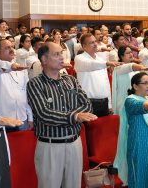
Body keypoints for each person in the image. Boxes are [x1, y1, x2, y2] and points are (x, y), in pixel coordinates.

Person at [27, 42, 97, 188]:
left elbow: (87, 105)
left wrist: (74, 115)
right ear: (44, 59)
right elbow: (44, 114)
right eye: (56, 54)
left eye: (62, 53)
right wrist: (74, 116)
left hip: (74, 142)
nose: (61, 58)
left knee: (74, 184)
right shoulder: (35, 84)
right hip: (50, 144)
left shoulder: (70, 80)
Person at [114, 72, 148, 188]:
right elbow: (139, 106)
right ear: (135, 86)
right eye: (145, 83)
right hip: (139, 147)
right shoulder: (130, 101)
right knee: (140, 176)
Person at [0, 39, 33, 131]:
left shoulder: (21, 69)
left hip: (22, 119)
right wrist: (11, 66)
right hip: (1, 121)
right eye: (7, 48)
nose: (11, 49)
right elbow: (0, 66)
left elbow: (25, 95)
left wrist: (30, 117)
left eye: (12, 47)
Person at [74, 33, 121, 117]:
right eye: (92, 42)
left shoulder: (100, 59)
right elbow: (91, 64)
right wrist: (107, 63)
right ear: (84, 46)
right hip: (87, 102)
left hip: (103, 102)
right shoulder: (79, 58)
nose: (95, 44)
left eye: (95, 41)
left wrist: (109, 105)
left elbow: (106, 83)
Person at [112, 46, 148, 114]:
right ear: (121, 56)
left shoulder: (136, 70)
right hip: (123, 101)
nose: (131, 54)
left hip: (135, 100)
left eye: (131, 52)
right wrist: (140, 67)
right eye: (127, 53)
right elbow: (129, 67)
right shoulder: (119, 68)